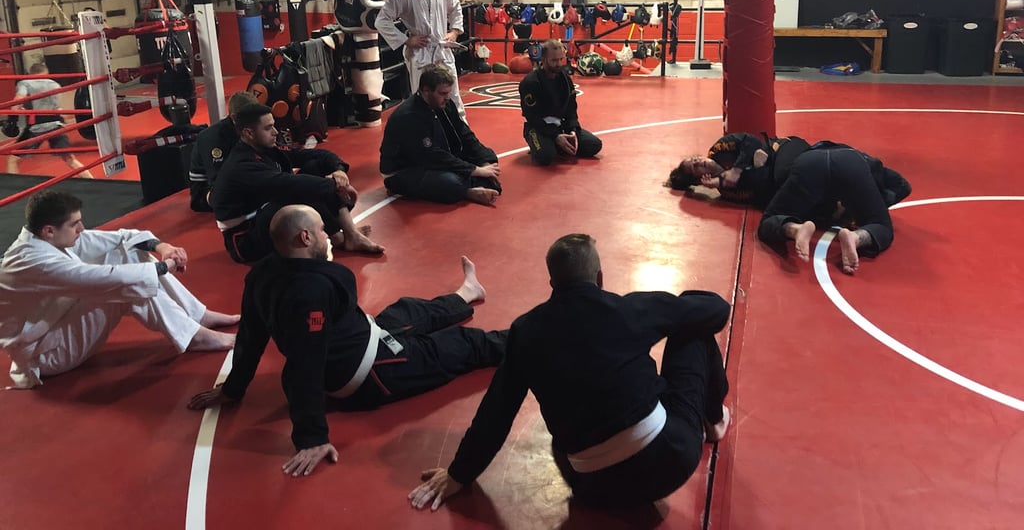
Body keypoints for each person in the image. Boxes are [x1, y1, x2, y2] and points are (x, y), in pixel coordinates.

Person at [409, 233, 730, 511]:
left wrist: (459, 474)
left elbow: (496, 412)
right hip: (668, 462)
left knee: (568, 425)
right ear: (600, 277)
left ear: (552, 284)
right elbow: (717, 311)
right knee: (694, 327)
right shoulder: (629, 308)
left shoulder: (525, 331)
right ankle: (714, 421)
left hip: (591, 487)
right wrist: (675, 310)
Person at [188, 204, 507, 477]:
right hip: (370, 373)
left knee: (406, 310)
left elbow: (251, 335)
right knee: (461, 343)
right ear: (305, 237)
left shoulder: (263, 274)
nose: (328, 235)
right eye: (322, 230)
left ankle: (466, 294)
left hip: (361, 335)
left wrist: (234, 388)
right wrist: (311, 437)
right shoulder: (310, 293)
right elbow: (305, 363)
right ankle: (525, 341)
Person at [0, 191, 237, 389]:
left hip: (55, 325)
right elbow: (104, 279)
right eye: (74, 224)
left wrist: (163, 247)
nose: (82, 228)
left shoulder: (46, 239)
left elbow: (124, 238)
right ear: (49, 230)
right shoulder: (33, 261)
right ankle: (195, 337)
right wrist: (165, 267)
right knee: (125, 286)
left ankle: (197, 315)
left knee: (127, 252)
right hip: (45, 355)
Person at [669, 134, 912, 274]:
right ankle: (858, 236)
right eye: (695, 167)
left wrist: (738, 170)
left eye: (695, 159)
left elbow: (751, 143)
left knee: (773, 215)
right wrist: (860, 208)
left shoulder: (720, 149)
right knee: (880, 225)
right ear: (700, 179)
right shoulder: (726, 191)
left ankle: (797, 228)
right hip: (847, 163)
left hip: (800, 163)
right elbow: (901, 185)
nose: (699, 162)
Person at [210, 104, 383, 264]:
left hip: (262, 217)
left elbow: (314, 155)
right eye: (268, 128)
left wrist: (338, 171)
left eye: (274, 126)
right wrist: (333, 186)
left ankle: (347, 234)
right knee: (299, 192)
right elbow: (288, 184)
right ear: (248, 133)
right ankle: (344, 235)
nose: (275, 132)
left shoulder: (267, 149)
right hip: (244, 239)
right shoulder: (241, 165)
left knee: (314, 166)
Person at [380, 64, 501, 206]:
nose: (447, 98)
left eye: (448, 93)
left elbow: (464, 134)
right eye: (442, 93)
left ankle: (470, 183)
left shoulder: (444, 104)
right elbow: (431, 155)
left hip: (436, 158)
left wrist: (484, 163)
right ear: (426, 90)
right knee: (451, 182)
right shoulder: (409, 116)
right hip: (404, 170)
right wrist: (474, 170)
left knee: (488, 156)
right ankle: (468, 191)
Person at [375, 0, 467, 121]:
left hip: (441, 50)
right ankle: (424, 133)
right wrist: (406, 40)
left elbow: (456, 8)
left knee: (453, 97)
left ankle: (461, 132)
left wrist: (454, 32)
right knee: (423, 98)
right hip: (420, 53)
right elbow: (381, 21)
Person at [519, 39, 603, 165]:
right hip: (538, 127)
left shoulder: (565, 79)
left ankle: (557, 144)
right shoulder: (530, 83)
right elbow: (532, 117)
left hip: (561, 125)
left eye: (560, 59)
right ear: (543, 59)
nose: (558, 64)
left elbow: (571, 108)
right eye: (554, 60)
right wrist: (555, 136)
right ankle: (547, 143)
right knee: (545, 156)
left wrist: (572, 130)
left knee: (594, 145)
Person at [5, 62, 93, 178]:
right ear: (46, 72)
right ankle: (93, 181)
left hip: (36, 127)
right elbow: (58, 109)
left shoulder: (26, 83)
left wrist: (12, 118)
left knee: (13, 159)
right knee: (70, 159)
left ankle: (13, 186)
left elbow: (18, 101)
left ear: (31, 73)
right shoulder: (54, 84)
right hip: (56, 125)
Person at [188, 90, 257, 212]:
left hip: (237, 177)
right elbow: (218, 180)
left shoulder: (249, 127)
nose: (253, 122)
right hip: (205, 189)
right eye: (249, 118)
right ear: (234, 117)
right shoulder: (213, 137)